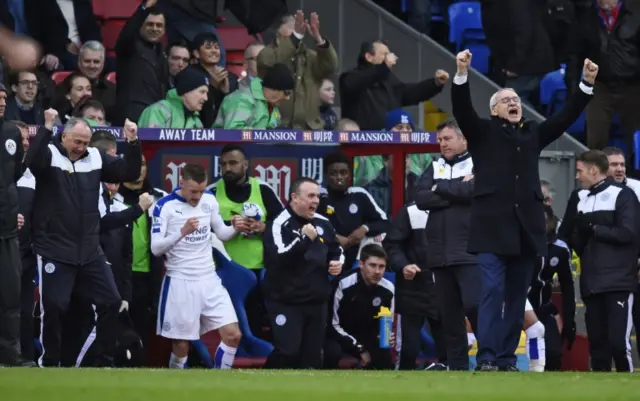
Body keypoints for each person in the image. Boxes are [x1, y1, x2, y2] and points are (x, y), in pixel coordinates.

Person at [451, 49, 598, 371]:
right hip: (491, 228)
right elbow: (462, 110)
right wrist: (461, 73)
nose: (513, 102)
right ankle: (487, 357)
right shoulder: (482, 132)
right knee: (491, 292)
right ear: (494, 110)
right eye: (505, 99)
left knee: (517, 297)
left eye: (515, 98)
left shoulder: (533, 133)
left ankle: (505, 358)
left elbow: (564, 118)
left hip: (526, 228)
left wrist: (586, 85)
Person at [25, 110, 142, 367]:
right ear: (63, 136)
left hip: (90, 250)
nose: (81, 148)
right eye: (76, 142)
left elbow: (130, 172)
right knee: (53, 307)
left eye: (85, 143)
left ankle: (101, 360)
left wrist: (132, 142)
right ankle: (50, 362)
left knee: (112, 302)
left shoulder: (97, 158)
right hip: (54, 248)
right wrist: (45, 128)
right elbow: (31, 163)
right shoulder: (50, 154)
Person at [151, 164, 243, 369]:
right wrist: (181, 232)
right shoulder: (165, 206)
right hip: (180, 280)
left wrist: (235, 228)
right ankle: (175, 389)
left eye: (201, 191)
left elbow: (222, 233)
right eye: (193, 191)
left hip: (209, 278)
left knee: (233, 335)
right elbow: (156, 248)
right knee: (181, 346)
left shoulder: (209, 199)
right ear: (181, 182)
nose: (197, 196)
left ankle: (221, 385)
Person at [414, 118, 480, 371]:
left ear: (463, 139)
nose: (442, 144)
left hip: (469, 251)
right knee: (449, 316)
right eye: (440, 140)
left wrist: (439, 189)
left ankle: (488, 360)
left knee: (475, 308)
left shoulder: (478, 162)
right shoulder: (433, 166)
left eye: (447, 138)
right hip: (439, 254)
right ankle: (458, 366)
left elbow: (472, 192)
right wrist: (453, 191)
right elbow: (420, 198)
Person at [262, 177, 344, 369]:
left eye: (317, 196)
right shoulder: (279, 223)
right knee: (288, 352)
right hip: (286, 300)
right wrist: (304, 239)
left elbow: (336, 249)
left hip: (316, 302)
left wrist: (337, 263)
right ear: (294, 198)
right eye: (310, 196)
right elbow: (277, 259)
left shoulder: (323, 222)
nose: (316, 201)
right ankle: (262, 385)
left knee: (312, 359)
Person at [569, 150, 638, 372]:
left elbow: (628, 233)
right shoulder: (580, 199)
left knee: (619, 345)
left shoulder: (624, 195)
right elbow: (572, 238)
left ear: (593, 170)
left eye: (579, 171)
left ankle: (628, 389)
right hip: (591, 282)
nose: (577, 176)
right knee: (598, 348)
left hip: (618, 281)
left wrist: (594, 228)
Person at [211, 144, 283, 336]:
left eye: (233, 163)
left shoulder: (263, 189)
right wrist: (230, 226)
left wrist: (262, 227)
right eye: (223, 164)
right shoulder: (211, 192)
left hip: (257, 269)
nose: (228, 168)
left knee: (254, 324)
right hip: (221, 270)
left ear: (245, 164)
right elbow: (201, 227)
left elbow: (284, 225)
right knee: (225, 326)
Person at [383, 203, 446, 370]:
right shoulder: (411, 211)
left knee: (449, 350)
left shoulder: (457, 208)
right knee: (409, 350)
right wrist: (403, 265)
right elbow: (391, 245)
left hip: (446, 287)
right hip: (414, 287)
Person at [324, 244, 395, 370]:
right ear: (361, 264)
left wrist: (385, 335)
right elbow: (332, 325)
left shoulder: (388, 289)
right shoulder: (343, 284)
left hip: (366, 335)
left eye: (381, 266)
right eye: (372, 265)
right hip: (339, 335)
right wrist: (359, 349)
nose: (377, 271)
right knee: (332, 352)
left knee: (384, 356)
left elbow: (386, 322)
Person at [317, 150, 389, 273]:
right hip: (325, 262)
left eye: (343, 173)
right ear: (326, 175)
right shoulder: (318, 197)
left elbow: (385, 223)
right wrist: (333, 237)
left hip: (356, 263)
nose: (339, 177)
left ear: (350, 175)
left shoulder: (359, 194)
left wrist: (365, 228)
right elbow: (306, 225)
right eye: (333, 173)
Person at [0, 118, 33, 367]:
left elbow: (12, 179)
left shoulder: (8, 133)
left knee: (11, 296)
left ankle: (10, 356)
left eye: (3, 98)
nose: (1, 102)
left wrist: (11, 215)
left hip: (8, 233)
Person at [529, 205, 576, 371]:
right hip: (517, 307)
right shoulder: (519, 243)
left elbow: (568, 286)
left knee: (553, 354)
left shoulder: (560, 249)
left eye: (546, 220)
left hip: (543, 308)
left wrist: (570, 321)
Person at [214, 63, 294, 129]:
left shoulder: (273, 108)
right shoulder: (242, 99)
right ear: (274, 88)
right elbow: (233, 131)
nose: (287, 98)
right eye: (286, 93)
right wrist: (265, 135)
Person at [138, 67, 209, 129]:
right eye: (202, 92)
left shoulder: (196, 121)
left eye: (206, 93)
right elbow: (150, 142)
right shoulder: (158, 111)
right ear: (186, 91)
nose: (206, 98)